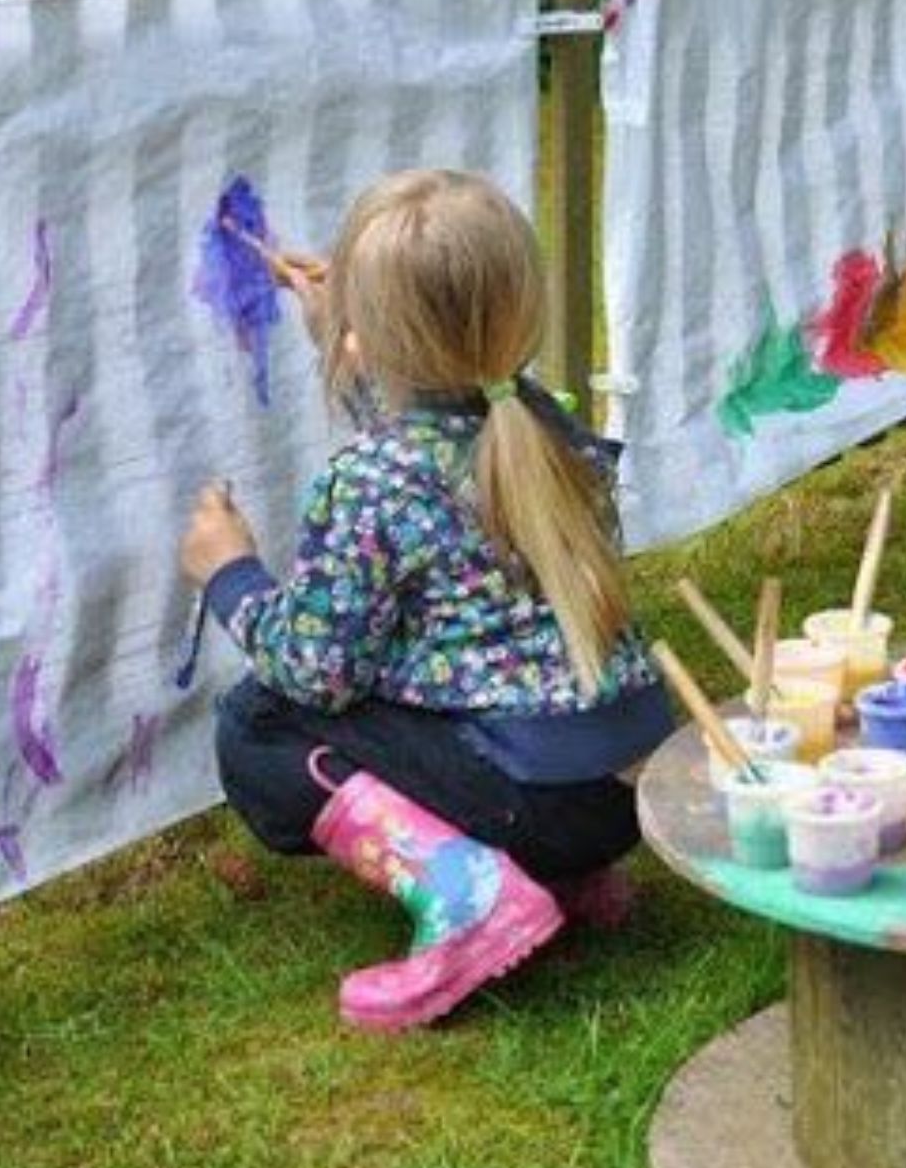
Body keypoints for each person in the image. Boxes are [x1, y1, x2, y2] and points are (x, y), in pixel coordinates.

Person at [178, 169, 670, 1033]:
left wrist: (231, 571)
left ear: (363, 344)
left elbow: (313, 668)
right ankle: (571, 878)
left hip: (535, 802)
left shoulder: (369, 483)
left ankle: (476, 894)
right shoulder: (540, 420)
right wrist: (350, 324)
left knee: (260, 723)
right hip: (623, 793)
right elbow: (439, 418)